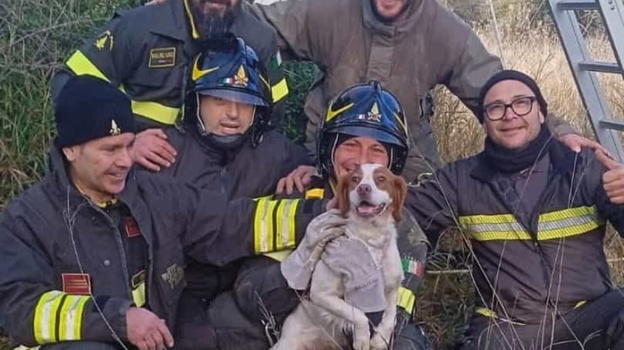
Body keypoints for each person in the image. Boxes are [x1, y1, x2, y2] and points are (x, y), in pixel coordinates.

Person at [0, 75, 327, 350]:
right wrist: (116, 318)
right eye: (110, 150)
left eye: (129, 145)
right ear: (70, 149)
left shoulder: (155, 196)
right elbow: (19, 305)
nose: (126, 161)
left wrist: (323, 214)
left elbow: (234, 222)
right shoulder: (26, 220)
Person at [252, 0, 603, 183]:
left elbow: (498, 93)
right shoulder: (327, 11)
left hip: (407, 169)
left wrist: (561, 133)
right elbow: (254, 27)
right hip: (325, 161)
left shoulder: (446, 32)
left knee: (407, 242)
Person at [403, 70, 624, 349]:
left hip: (590, 317)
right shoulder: (461, 179)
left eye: (522, 103)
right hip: (507, 329)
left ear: (542, 113)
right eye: (496, 108)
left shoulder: (584, 166)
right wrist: (350, 198)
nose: (509, 115)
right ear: (484, 121)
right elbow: (401, 214)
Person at [136, 35, 312, 349]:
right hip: (182, 285)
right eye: (219, 99)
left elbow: (333, 182)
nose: (233, 113)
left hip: (246, 283)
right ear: (196, 100)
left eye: (245, 102)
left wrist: (316, 173)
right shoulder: (162, 151)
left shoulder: (278, 154)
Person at [236, 81, 432, 349]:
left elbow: (389, 321)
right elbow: (251, 295)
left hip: (355, 339)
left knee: (408, 343)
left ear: (392, 162)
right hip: (293, 332)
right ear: (329, 148)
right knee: (227, 320)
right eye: (351, 144)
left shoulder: (406, 232)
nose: (361, 160)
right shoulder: (295, 195)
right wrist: (301, 265)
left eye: (376, 150)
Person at [51, 0, 289, 172]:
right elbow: (70, 85)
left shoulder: (260, 40)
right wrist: (125, 142)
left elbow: (271, 117)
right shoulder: (142, 26)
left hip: (216, 177)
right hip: (135, 168)